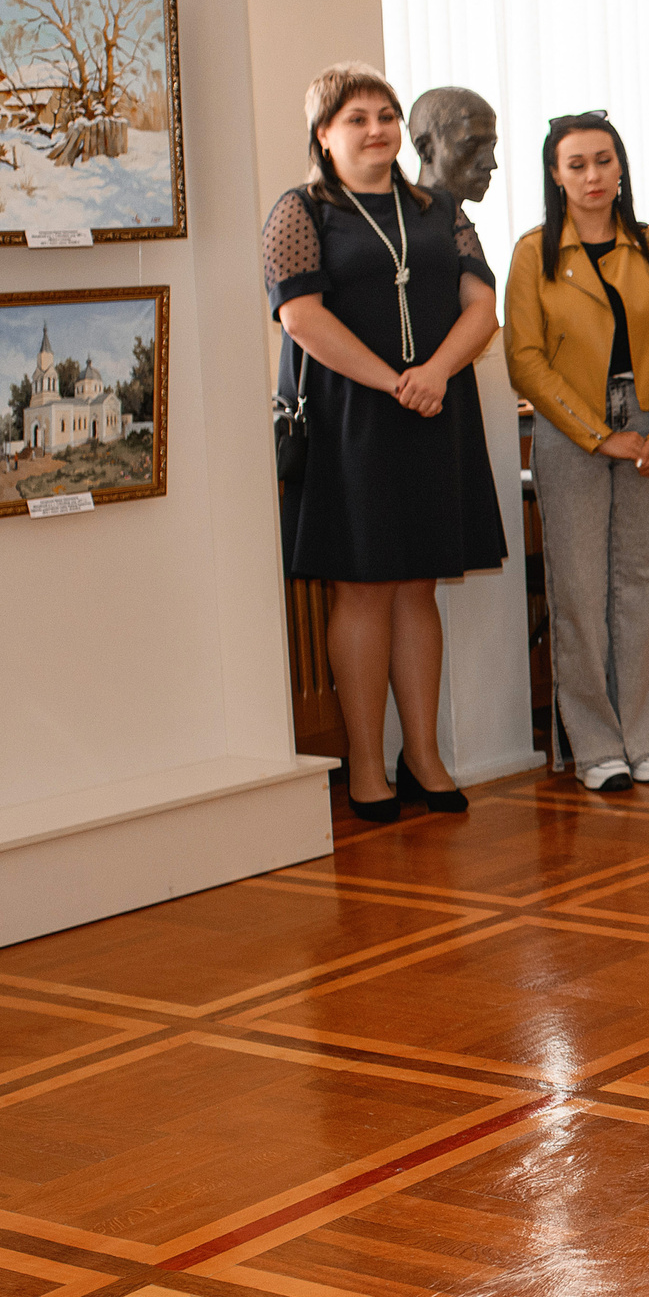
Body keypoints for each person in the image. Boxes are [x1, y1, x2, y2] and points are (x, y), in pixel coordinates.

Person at [264, 62, 506, 822]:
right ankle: (366, 765)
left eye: (387, 115)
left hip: (433, 407)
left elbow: (482, 302)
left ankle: (423, 757)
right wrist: (390, 380)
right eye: (357, 117)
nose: (377, 129)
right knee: (362, 587)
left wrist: (431, 373)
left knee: (419, 585)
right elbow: (300, 316)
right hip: (348, 416)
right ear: (324, 135)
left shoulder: (436, 209)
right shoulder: (300, 210)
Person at [506, 112, 649, 791]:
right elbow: (525, 361)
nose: (593, 176)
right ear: (556, 175)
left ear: (621, 168)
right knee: (581, 588)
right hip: (572, 431)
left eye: (603, 161)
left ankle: (646, 732)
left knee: (645, 582)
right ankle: (594, 744)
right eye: (577, 164)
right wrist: (597, 434)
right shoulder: (535, 251)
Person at [408, 86, 497, 204]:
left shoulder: (454, 219)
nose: (490, 164)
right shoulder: (401, 220)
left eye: (492, 145)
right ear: (425, 148)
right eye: (471, 145)